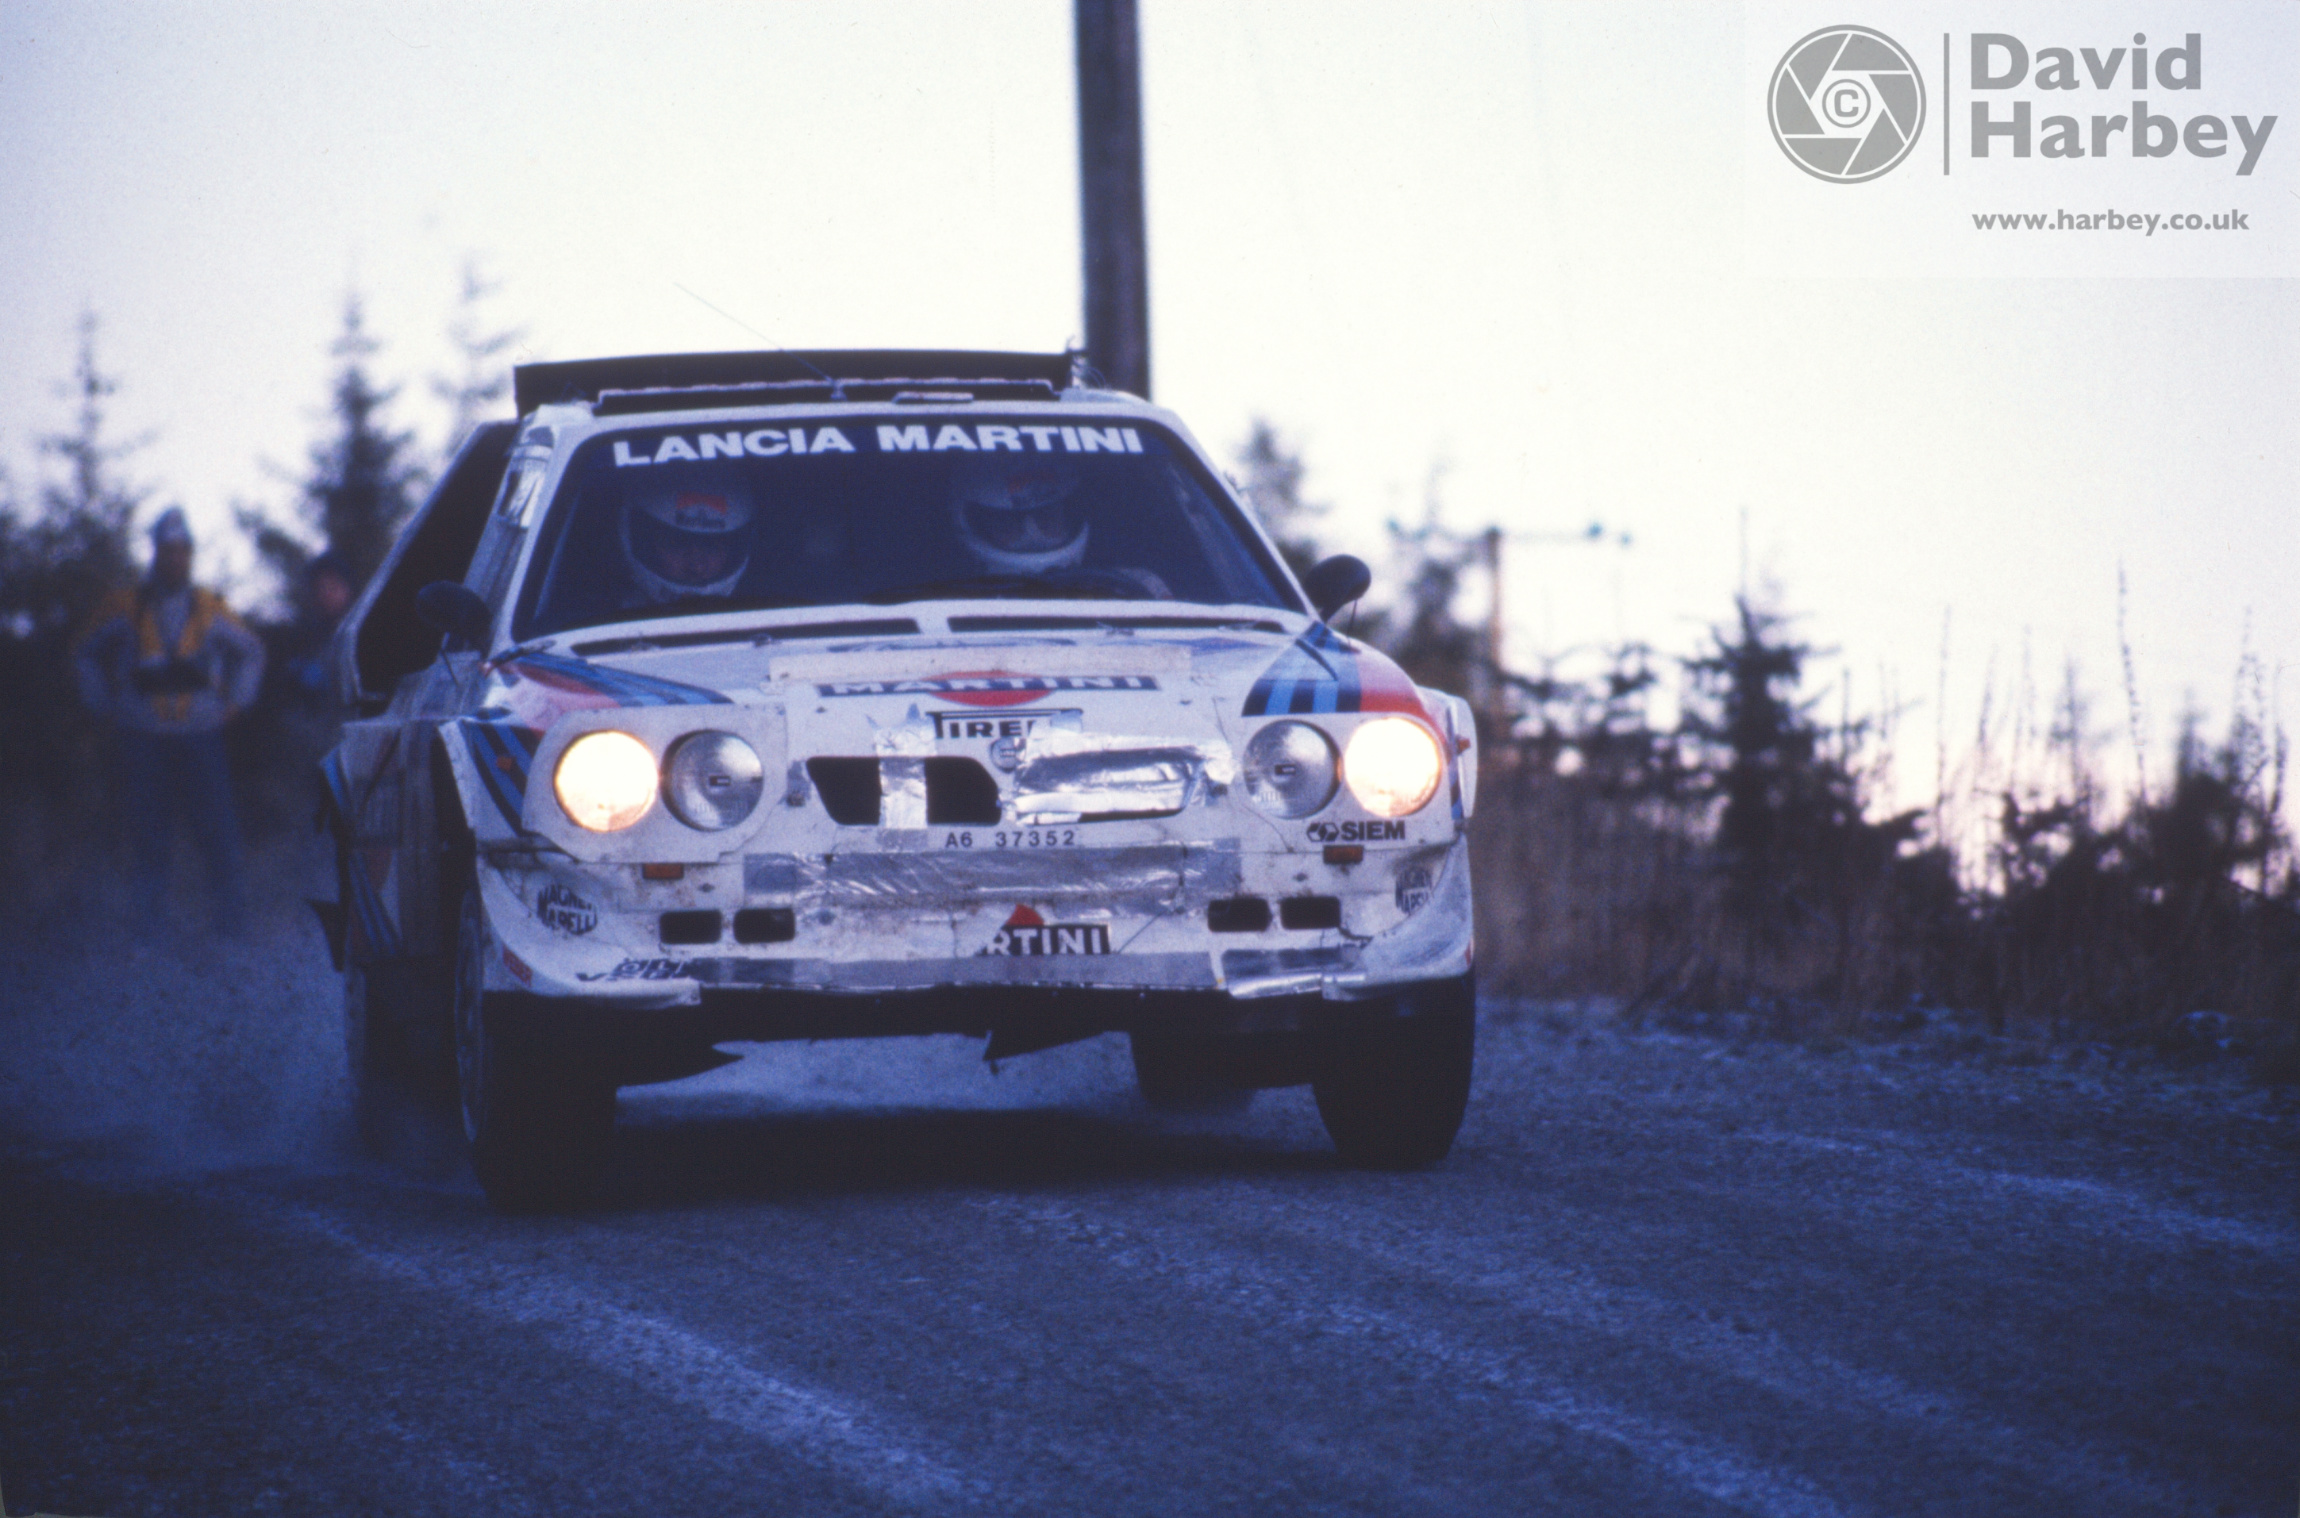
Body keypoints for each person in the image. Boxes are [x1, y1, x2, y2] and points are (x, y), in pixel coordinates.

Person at [73, 507, 266, 931]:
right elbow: (85, 652)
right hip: (142, 739)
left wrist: (238, 701)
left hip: (202, 737)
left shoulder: (210, 606)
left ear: (190, 554)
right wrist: (102, 704)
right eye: (167, 550)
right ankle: (147, 939)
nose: (175, 559)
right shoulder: (123, 605)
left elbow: (251, 650)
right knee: (148, 838)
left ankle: (233, 934)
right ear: (155, 552)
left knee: (219, 835)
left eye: (182, 551)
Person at [949, 460, 1170, 597]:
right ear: (974, 524)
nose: (1033, 533)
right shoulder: (945, 600)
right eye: (1011, 521)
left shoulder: (1141, 585)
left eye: (1047, 516)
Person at [618, 483, 755, 607]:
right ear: (646, 545)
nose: (696, 568)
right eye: (677, 544)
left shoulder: (760, 618)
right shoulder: (608, 627)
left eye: (711, 547)